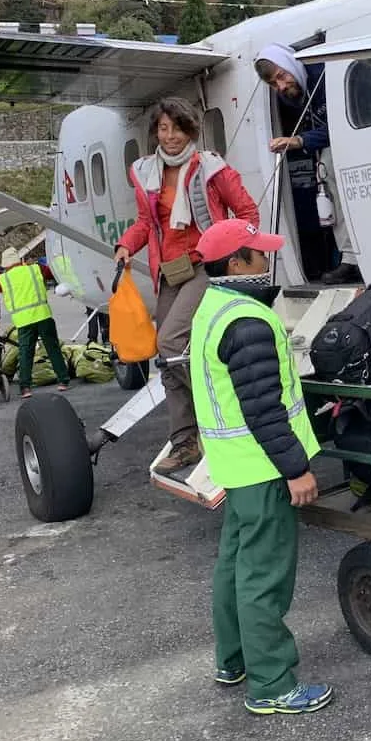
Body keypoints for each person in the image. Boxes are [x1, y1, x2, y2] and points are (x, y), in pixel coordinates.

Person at [188, 219, 331, 716]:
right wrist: (296, 468)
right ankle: (272, 685)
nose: (266, 260)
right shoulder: (246, 323)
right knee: (263, 578)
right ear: (236, 264)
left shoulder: (212, 308)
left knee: (234, 567)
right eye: (257, 253)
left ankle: (233, 660)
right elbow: (264, 408)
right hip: (263, 469)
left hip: (235, 467)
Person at [115, 97, 260, 476]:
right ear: (155, 133)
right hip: (170, 271)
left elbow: (247, 213)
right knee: (166, 360)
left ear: (190, 130)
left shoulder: (211, 168)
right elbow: (146, 224)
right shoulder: (146, 172)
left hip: (204, 266)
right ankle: (185, 442)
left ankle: (224, 413)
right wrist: (126, 245)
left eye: (178, 128)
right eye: (163, 129)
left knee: (171, 343)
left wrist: (232, 248)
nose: (171, 136)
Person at [255, 43, 362, 285]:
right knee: (325, 171)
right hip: (331, 146)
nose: (281, 86)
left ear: (291, 63)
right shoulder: (295, 94)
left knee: (330, 165)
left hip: (355, 140)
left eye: (282, 76)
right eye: (274, 84)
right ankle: (350, 257)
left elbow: (339, 125)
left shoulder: (323, 75)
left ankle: (354, 258)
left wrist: (299, 140)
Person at [0, 248, 70, 399]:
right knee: (53, 349)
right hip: (43, 316)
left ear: (5, 265)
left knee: (25, 354)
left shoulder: (3, 279)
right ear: (20, 260)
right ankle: (63, 380)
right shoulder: (35, 269)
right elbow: (52, 272)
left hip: (23, 321)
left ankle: (25, 387)